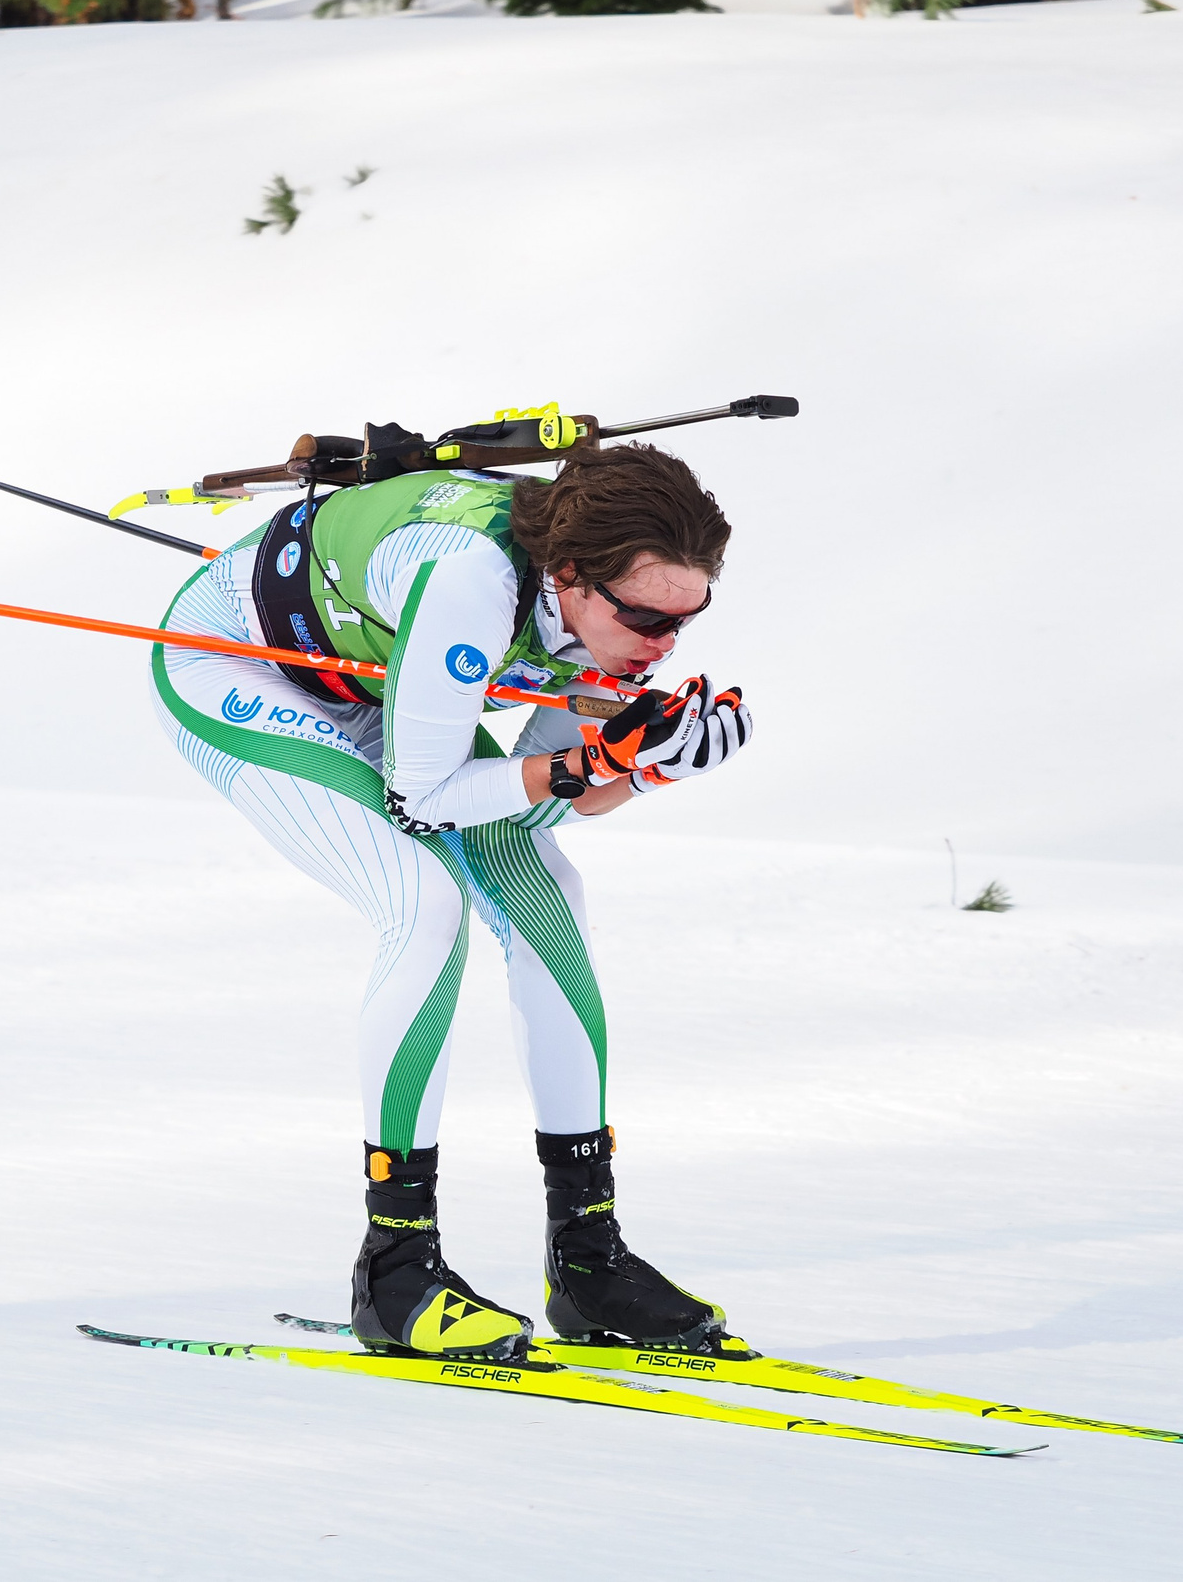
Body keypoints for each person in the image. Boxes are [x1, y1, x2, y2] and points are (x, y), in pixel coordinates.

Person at [148, 442, 752, 1361]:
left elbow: (558, 788)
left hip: (379, 674)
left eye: (687, 617)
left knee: (547, 890)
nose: (663, 644)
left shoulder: (616, 608)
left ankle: (587, 1256)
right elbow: (421, 796)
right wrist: (600, 758)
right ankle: (394, 1267)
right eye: (642, 616)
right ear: (571, 577)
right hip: (243, 667)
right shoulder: (472, 578)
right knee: (422, 900)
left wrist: (647, 766)